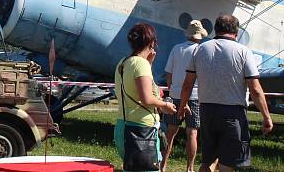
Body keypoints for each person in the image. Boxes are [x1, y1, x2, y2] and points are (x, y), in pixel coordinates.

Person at [179, 15, 273, 172]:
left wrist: (182, 106)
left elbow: (187, 85)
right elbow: (255, 90)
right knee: (227, 164)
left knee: (208, 159)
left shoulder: (200, 49)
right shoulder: (243, 51)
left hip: (207, 111)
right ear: (236, 32)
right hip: (233, 113)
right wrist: (266, 117)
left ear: (215, 29)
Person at [114, 23, 176, 172]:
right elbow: (147, 98)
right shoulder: (141, 65)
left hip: (123, 126)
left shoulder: (123, 63)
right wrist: (164, 105)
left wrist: (149, 64)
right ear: (152, 43)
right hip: (142, 130)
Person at [160, 20, 208, 172]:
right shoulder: (201, 51)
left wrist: (172, 88)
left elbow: (168, 72)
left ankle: (162, 166)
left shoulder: (176, 48)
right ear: (200, 36)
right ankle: (190, 168)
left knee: (170, 131)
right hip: (194, 95)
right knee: (192, 133)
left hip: (175, 95)